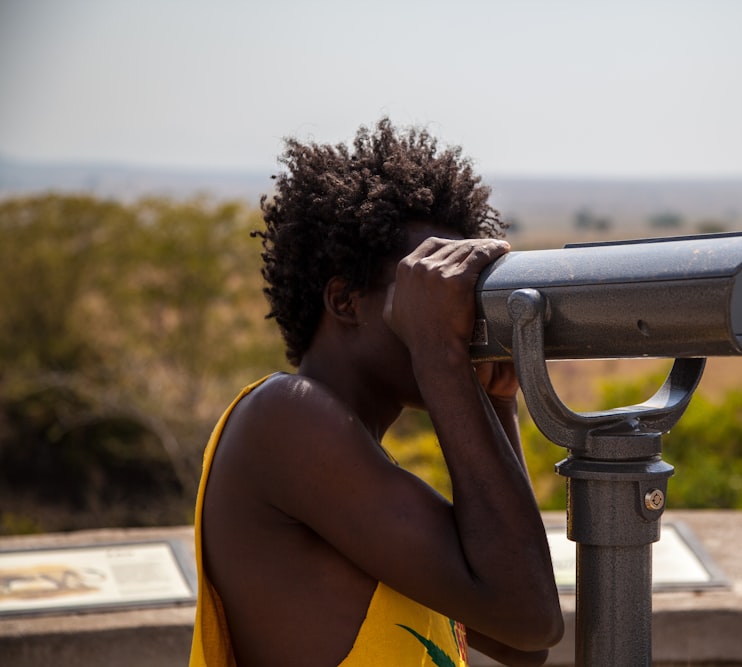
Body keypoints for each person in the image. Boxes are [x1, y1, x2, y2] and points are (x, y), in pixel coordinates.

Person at [189, 118, 564, 667]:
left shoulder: (351, 463)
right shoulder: (285, 418)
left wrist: (496, 404)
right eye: (423, 288)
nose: (454, 317)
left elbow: (516, 643)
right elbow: (530, 618)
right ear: (345, 301)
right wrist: (438, 352)